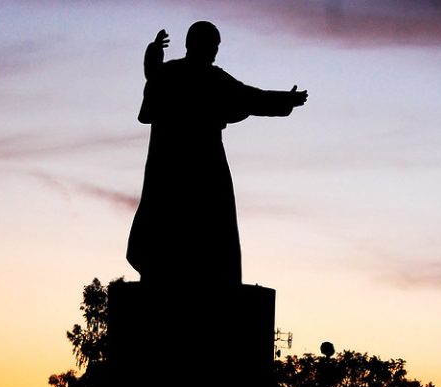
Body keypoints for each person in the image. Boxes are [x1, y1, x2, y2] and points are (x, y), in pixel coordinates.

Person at [127, 21, 308, 287]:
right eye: (213, 46)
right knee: (199, 218)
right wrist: (284, 101)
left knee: (201, 219)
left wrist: (283, 100)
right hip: (198, 162)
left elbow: (248, 96)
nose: (215, 52)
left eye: (217, 47)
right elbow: (249, 97)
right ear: (198, 45)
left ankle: (195, 274)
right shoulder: (205, 77)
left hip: (178, 162)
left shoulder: (181, 74)